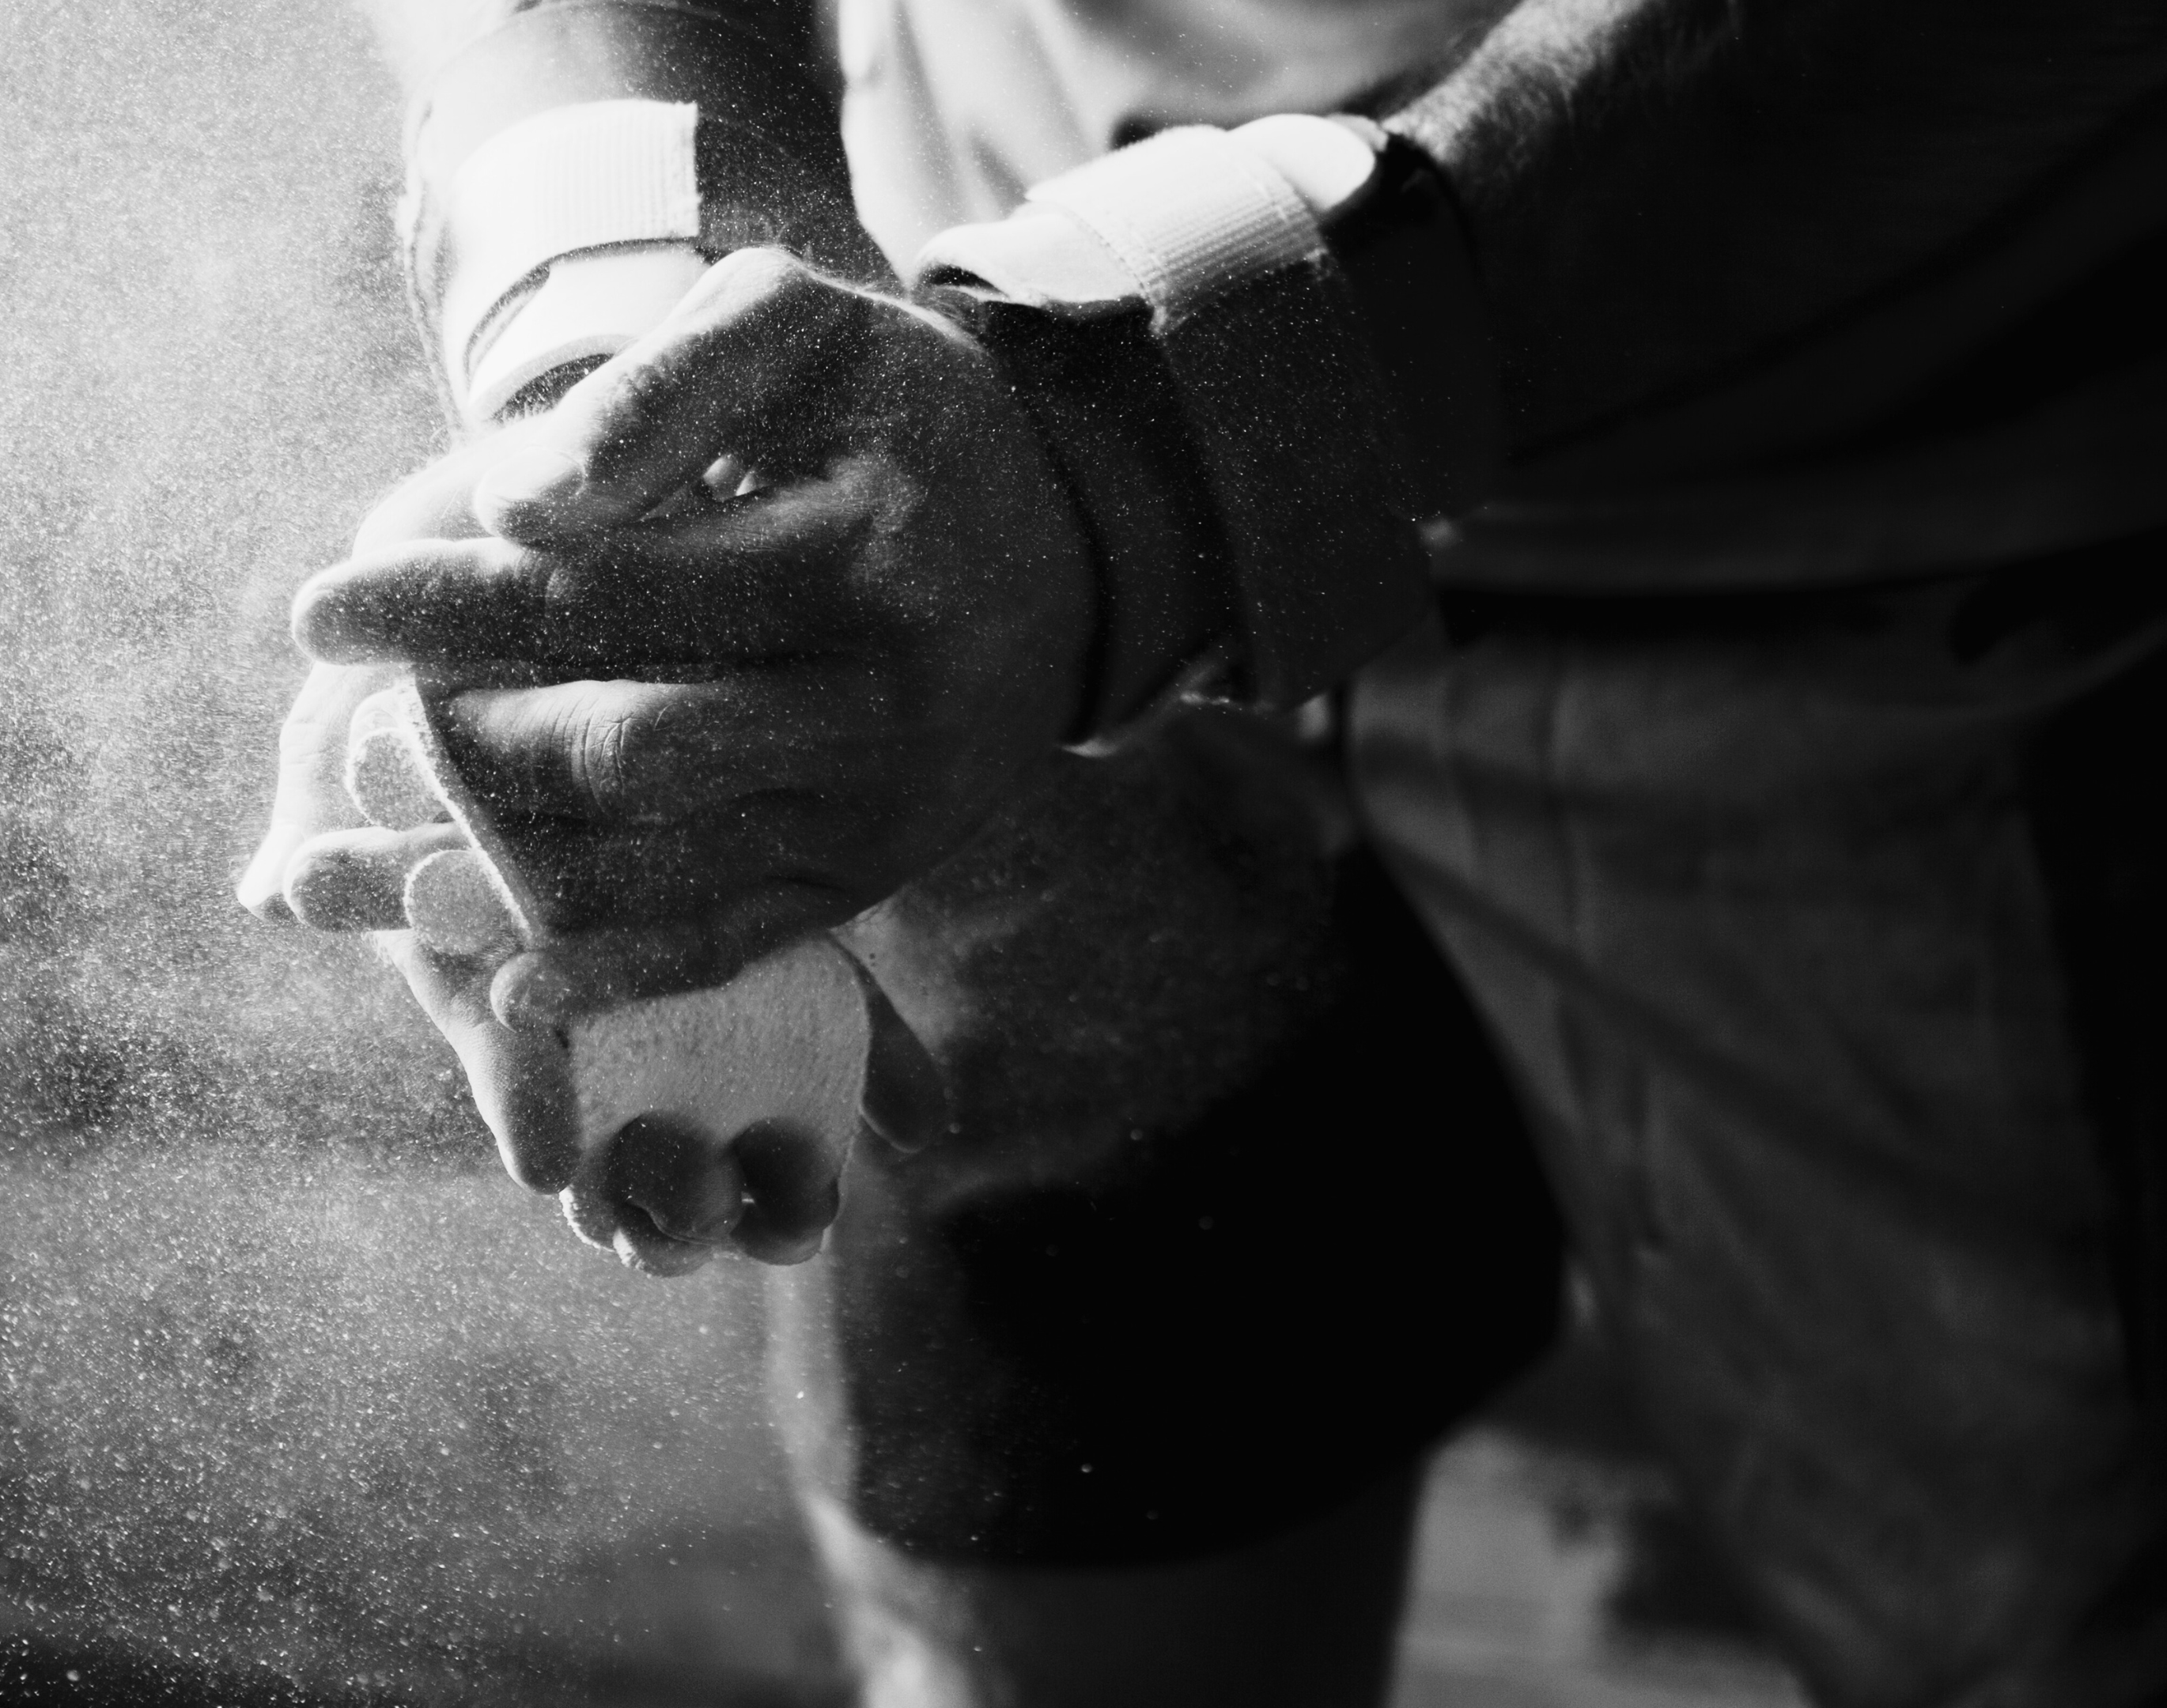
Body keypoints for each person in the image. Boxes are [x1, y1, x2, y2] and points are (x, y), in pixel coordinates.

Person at [238, 0, 2167, 1700]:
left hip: (1889, 515)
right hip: (955, 464)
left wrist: (1156, 452)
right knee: (1018, 1638)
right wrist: (615, 379)